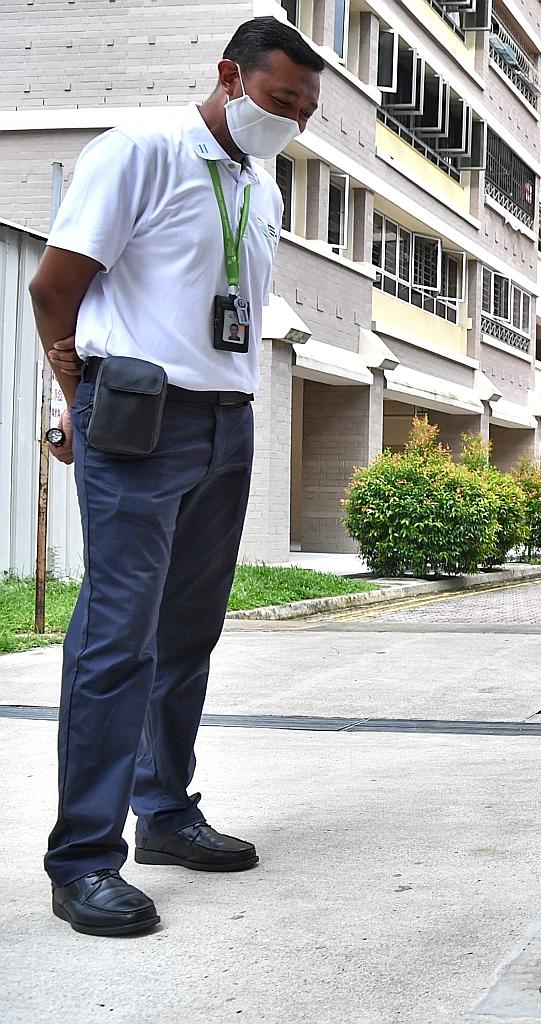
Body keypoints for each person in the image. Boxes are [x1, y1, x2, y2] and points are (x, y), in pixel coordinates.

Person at [27, 17, 323, 936]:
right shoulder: (142, 151)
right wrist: (79, 391)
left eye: (306, 113)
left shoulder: (258, 185)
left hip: (224, 422)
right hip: (138, 418)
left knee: (188, 632)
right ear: (230, 76)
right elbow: (54, 285)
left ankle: (164, 814)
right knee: (116, 640)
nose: (292, 123)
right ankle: (83, 862)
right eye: (280, 101)